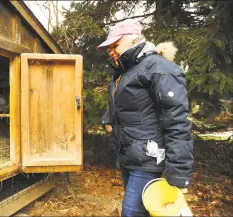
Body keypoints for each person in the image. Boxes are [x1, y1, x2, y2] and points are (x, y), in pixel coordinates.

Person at [97, 19, 193, 217]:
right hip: (130, 155)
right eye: (108, 48)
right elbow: (132, 104)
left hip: (149, 156)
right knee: (145, 212)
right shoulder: (125, 72)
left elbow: (176, 120)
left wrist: (179, 171)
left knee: (132, 213)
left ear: (133, 40)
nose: (111, 51)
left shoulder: (158, 67)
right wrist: (109, 117)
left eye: (115, 45)